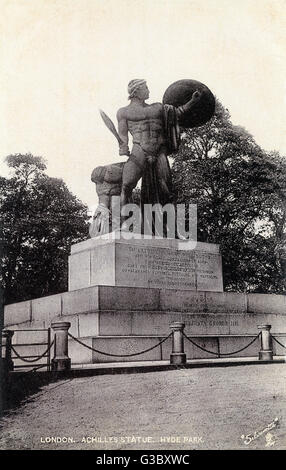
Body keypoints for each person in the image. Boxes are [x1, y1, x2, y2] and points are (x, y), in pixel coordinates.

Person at [116, 79, 202, 207]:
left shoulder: (158, 108)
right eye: (146, 88)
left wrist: (193, 101)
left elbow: (178, 113)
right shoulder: (123, 112)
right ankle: (123, 224)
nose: (148, 90)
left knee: (166, 189)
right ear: (136, 91)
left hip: (159, 149)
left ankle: (166, 223)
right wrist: (123, 146)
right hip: (139, 149)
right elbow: (123, 134)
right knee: (127, 185)